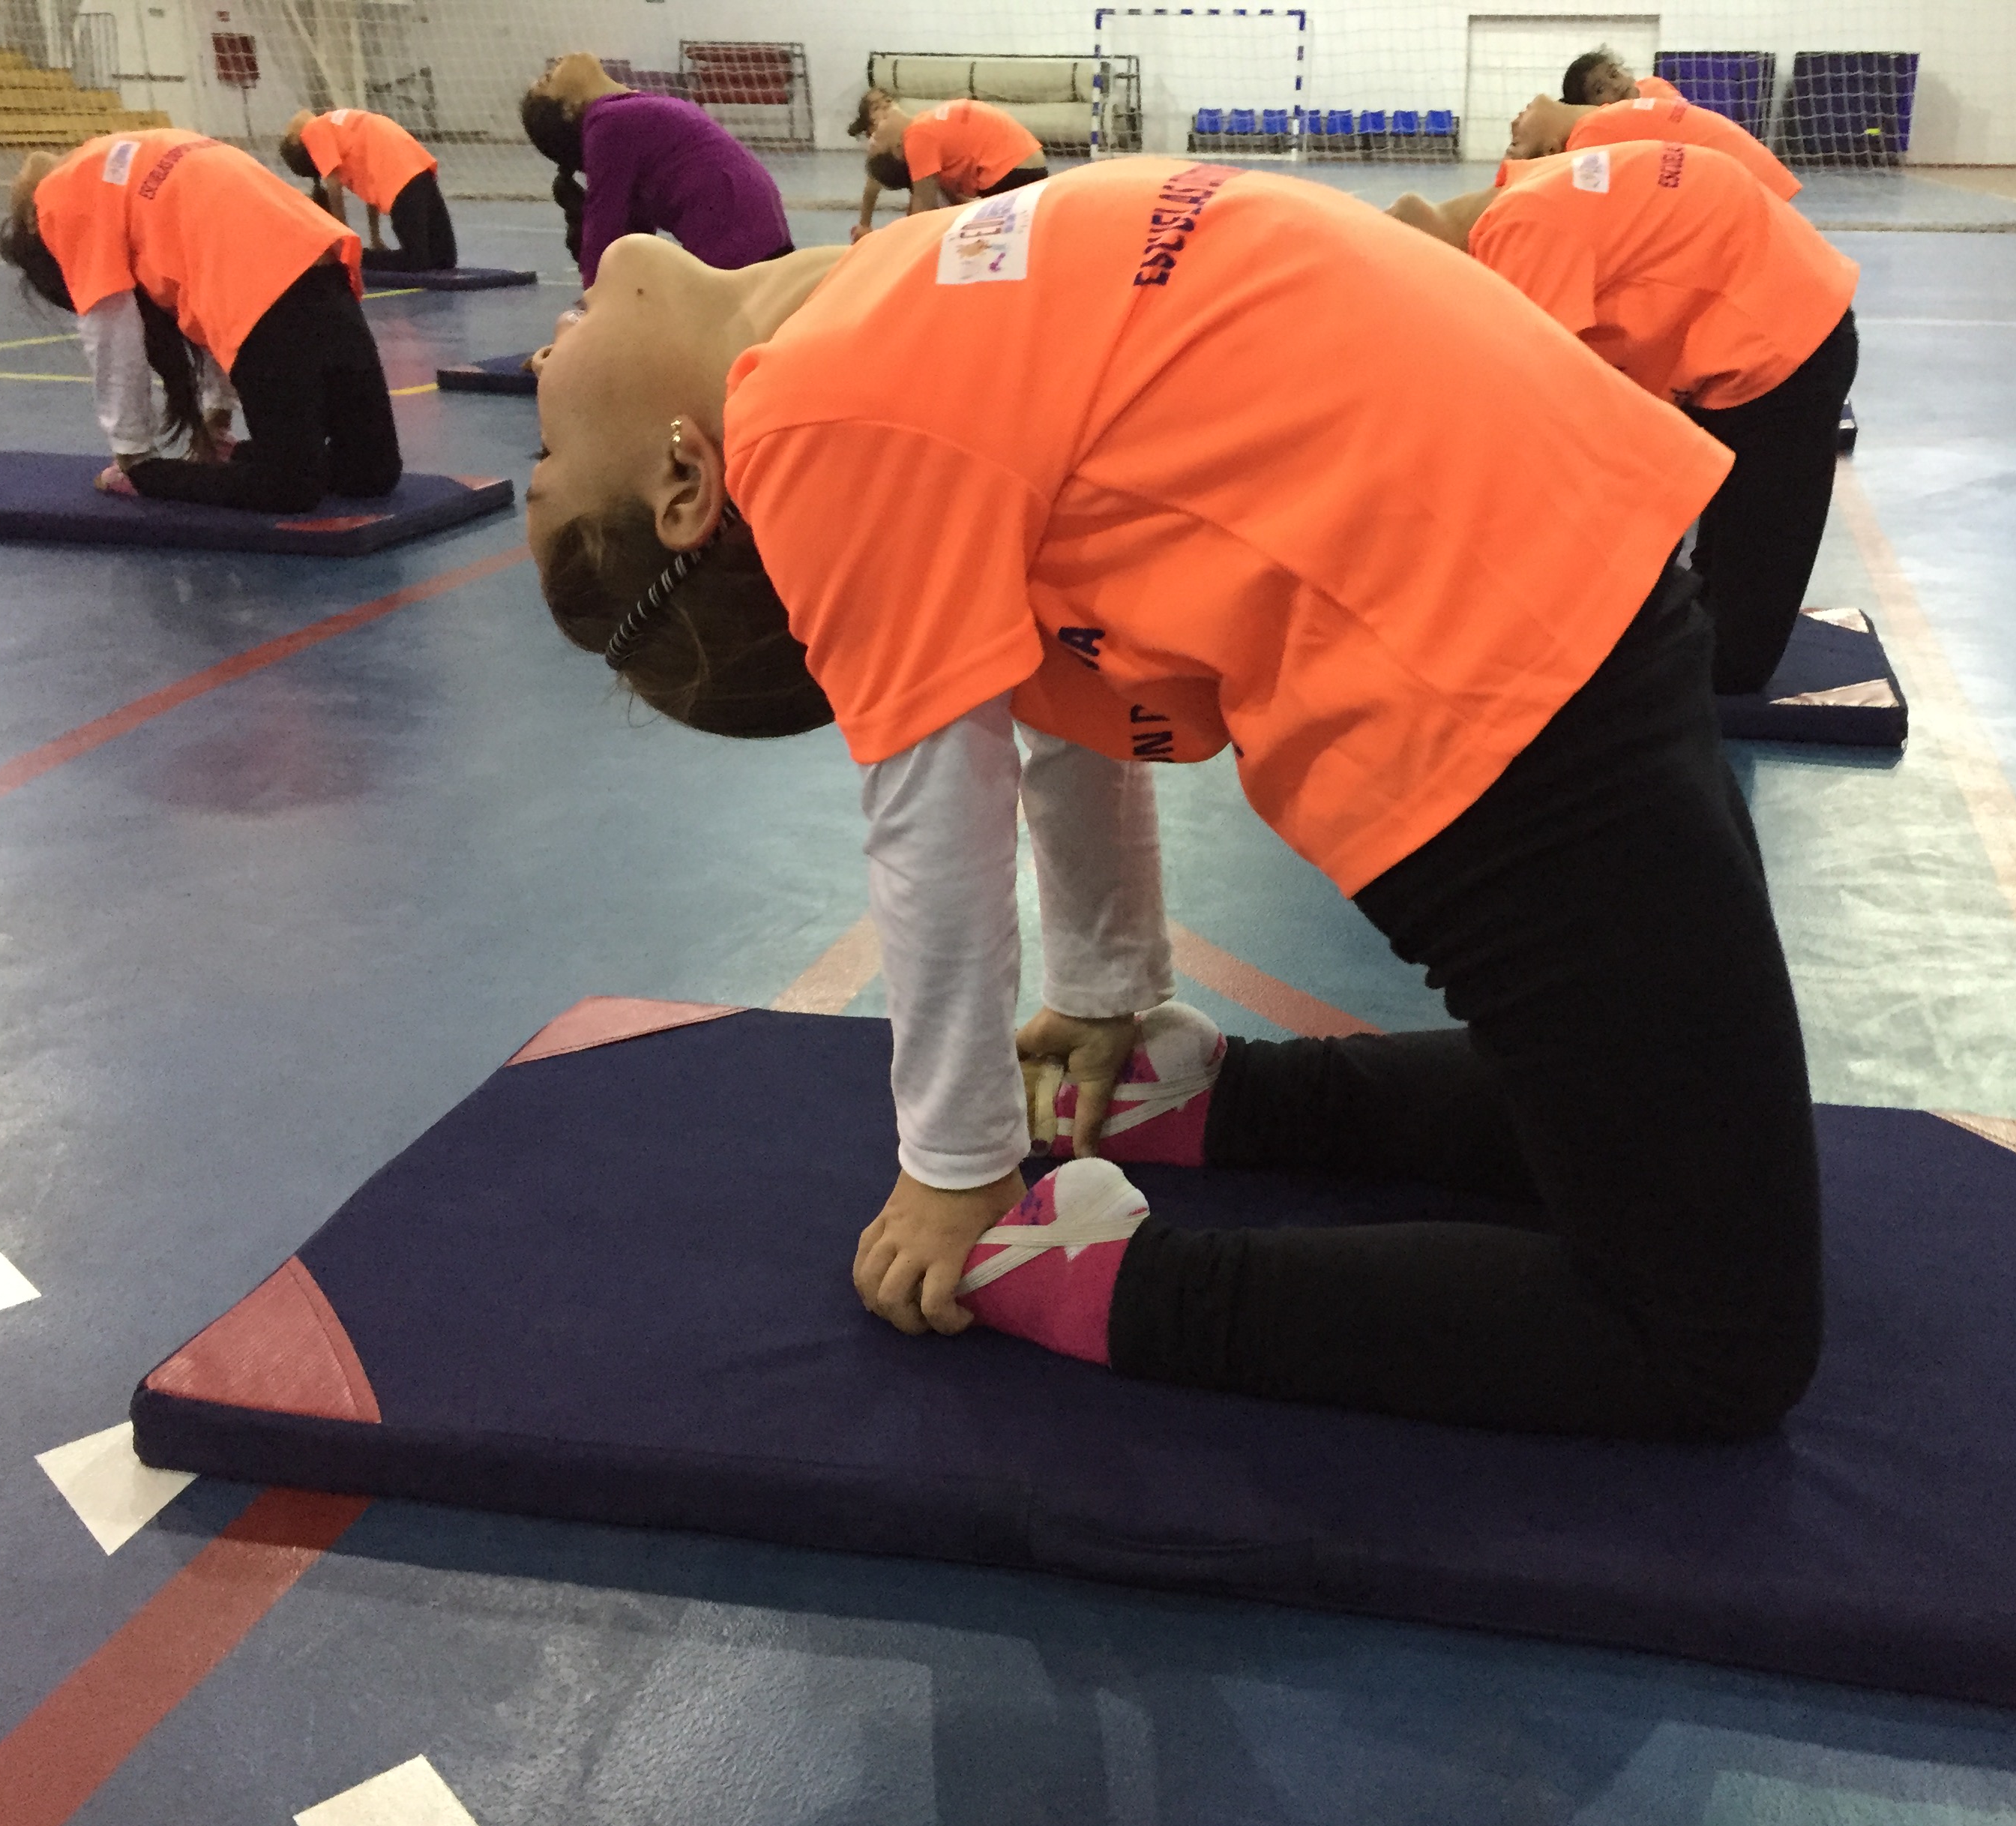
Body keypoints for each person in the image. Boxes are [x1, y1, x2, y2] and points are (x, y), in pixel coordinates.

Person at [524, 159, 1823, 1441]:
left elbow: (1048, 701)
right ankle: (1103, 1280)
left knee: (1657, 1114)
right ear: (683, 488)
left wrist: (1103, 995)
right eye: (546, 457)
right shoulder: (811, 415)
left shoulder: (860, 312)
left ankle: (1196, 1105)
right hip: (1495, 664)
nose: (538, 362)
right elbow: (937, 808)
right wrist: (958, 1168)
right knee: (1711, 1337)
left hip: (1550, 583)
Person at [1391, 145, 1856, 695]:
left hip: (1785, 347)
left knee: (1732, 661)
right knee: (1701, 592)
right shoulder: (1523, 192)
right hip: (1751, 325)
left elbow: (1534, 424)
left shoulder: (1519, 237)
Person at [0, 132, 400, 512]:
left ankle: (155, 474)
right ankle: (258, 455)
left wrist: (132, 454)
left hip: (274, 296)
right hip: (322, 274)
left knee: (291, 487)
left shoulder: (61, 201)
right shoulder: (131, 151)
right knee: (369, 471)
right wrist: (217, 418)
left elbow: (111, 333)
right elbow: (208, 272)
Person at [520, 53, 791, 286]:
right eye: (548, 79)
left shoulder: (620, 113)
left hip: (748, 234)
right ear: (569, 109)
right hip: (739, 238)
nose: (557, 62)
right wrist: (595, 294)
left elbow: (631, 227)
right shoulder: (608, 123)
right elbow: (605, 221)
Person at [1508, 92, 1800, 201]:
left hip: (1748, 185)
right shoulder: (1596, 131)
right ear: (1550, 150)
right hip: (1753, 183)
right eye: (1516, 140)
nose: (1515, 120)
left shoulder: (1597, 131)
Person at [280, 106, 457, 274]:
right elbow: (370, 193)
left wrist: (344, 240)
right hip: (417, 165)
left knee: (417, 262)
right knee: (445, 258)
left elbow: (334, 187)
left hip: (401, 176)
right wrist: (375, 237)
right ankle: (363, 256)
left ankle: (357, 259)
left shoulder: (313, 132)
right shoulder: (337, 127)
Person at [849, 88, 1046, 238]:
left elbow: (922, 211)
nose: (888, 109)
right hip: (1021, 164)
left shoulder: (919, 133)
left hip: (1014, 167)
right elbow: (922, 206)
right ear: (897, 148)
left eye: (888, 102)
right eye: (877, 110)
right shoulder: (919, 134)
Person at [1559, 48, 1681, 106]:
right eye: (1600, 89)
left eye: (1614, 75)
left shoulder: (1656, 87)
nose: (1616, 86)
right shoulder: (1601, 133)